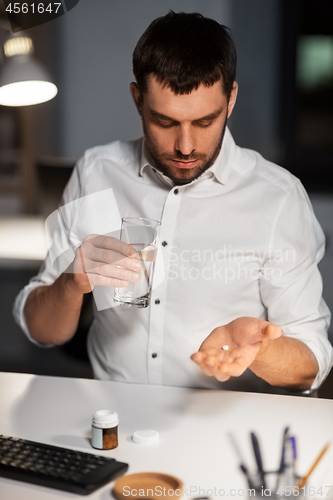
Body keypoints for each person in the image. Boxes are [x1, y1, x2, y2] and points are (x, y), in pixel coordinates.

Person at [14, 11, 332, 394]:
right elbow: (41, 330)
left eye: (204, 122)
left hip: (224, 433)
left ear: (230, 100)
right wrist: (70, 284)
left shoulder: (279, 198)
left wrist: (259, 350)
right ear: (137, 100)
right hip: (111, 419)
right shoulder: (96, 172)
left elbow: (312, 363)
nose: (185, 146)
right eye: (165, 122)